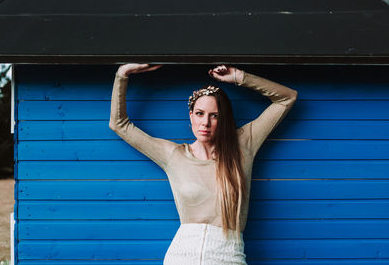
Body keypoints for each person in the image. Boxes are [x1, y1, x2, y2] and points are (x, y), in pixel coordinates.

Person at [109, 63, 298, 264]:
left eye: (214, 116)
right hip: (182, 256)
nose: (205, 123)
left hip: (228, 256)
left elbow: (287, 98)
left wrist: (239, 77)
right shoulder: (174, 155)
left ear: (223, 119)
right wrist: (122, 74)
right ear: (191, 116)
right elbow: (119, 124)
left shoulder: (243, 145)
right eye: (199, 113)